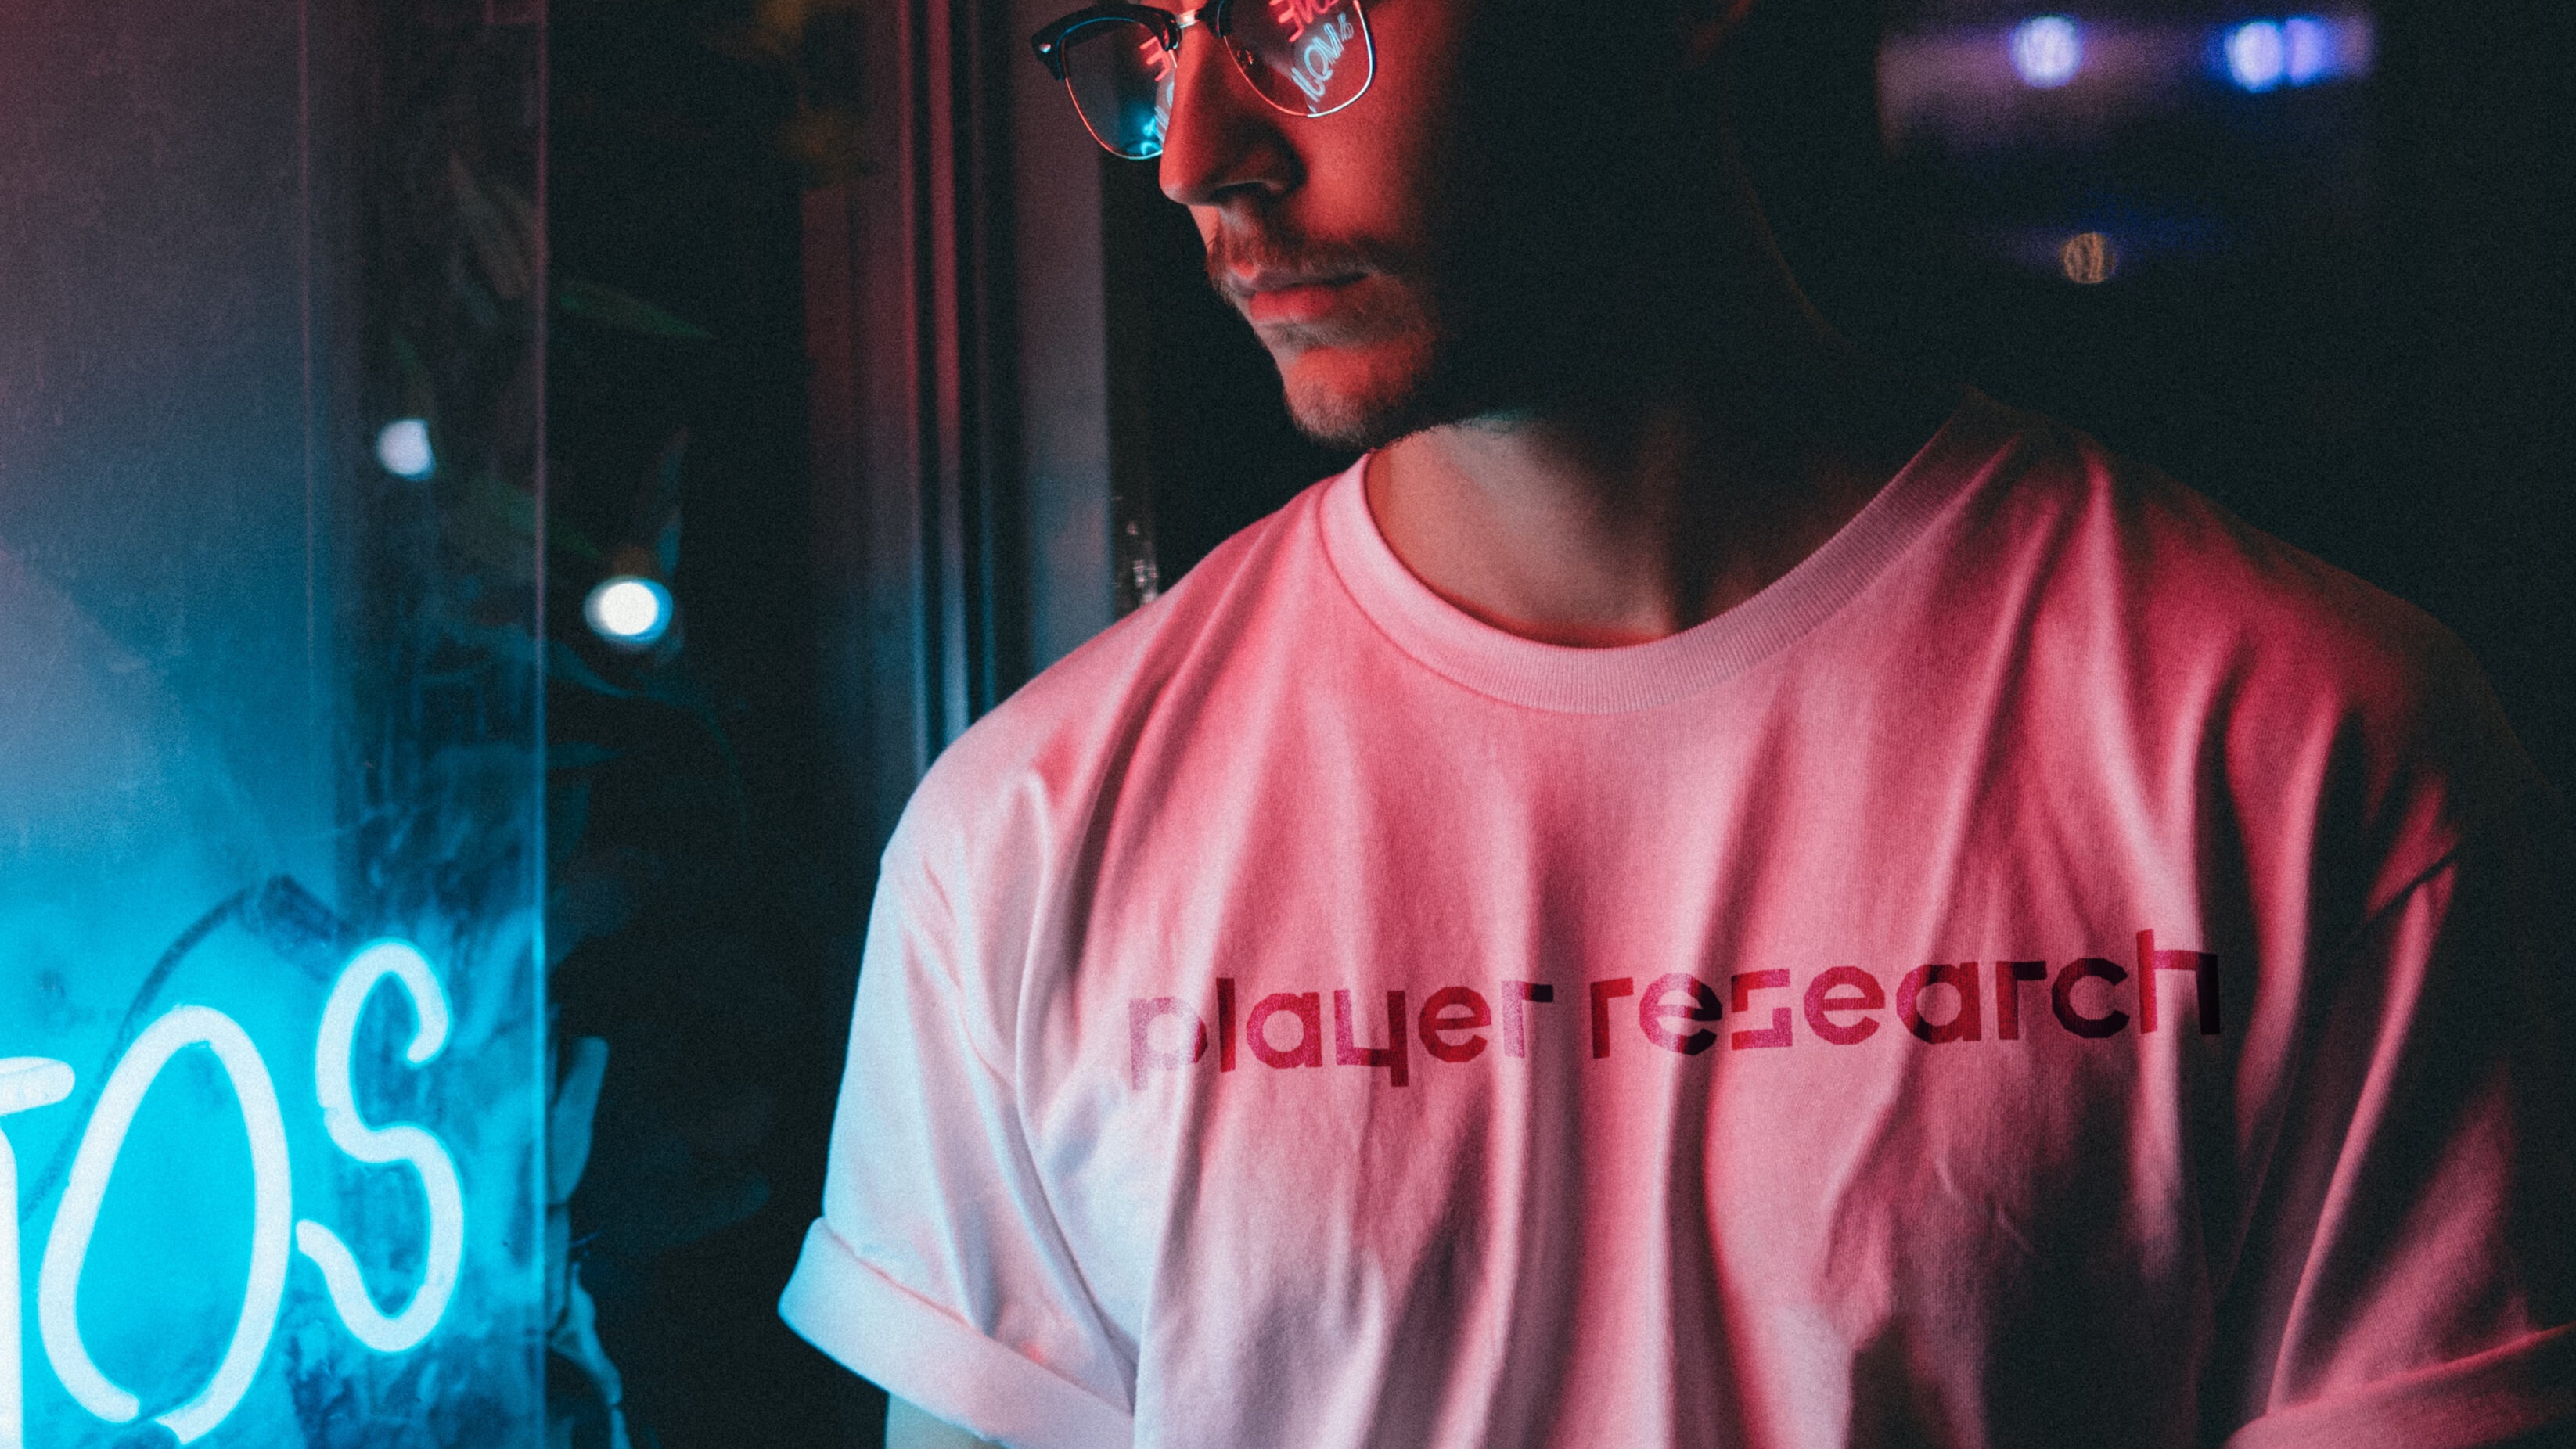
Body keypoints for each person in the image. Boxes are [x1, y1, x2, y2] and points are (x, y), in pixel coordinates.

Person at [778, 0, 2576, 1443]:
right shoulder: (1020, 835)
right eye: (1149, 45)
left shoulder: (2298, 751)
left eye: (1299, 17)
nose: (1198, 155)